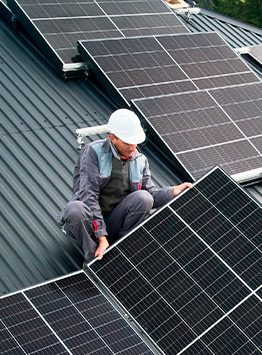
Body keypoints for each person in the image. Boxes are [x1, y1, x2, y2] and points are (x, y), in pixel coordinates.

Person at [58, 109, 191, 262]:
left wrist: (173, 191)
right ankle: (93, 258)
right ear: (112, 138)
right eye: (127, 142)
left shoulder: (140, 160)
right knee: (74, 209)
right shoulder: (93, 152)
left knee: (144, 198)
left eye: (135, 142)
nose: (133, 147)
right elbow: (88, 195)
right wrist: (101, 236)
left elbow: (150, 195)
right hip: (89, 223)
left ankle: (121, 248)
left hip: (114, 221)